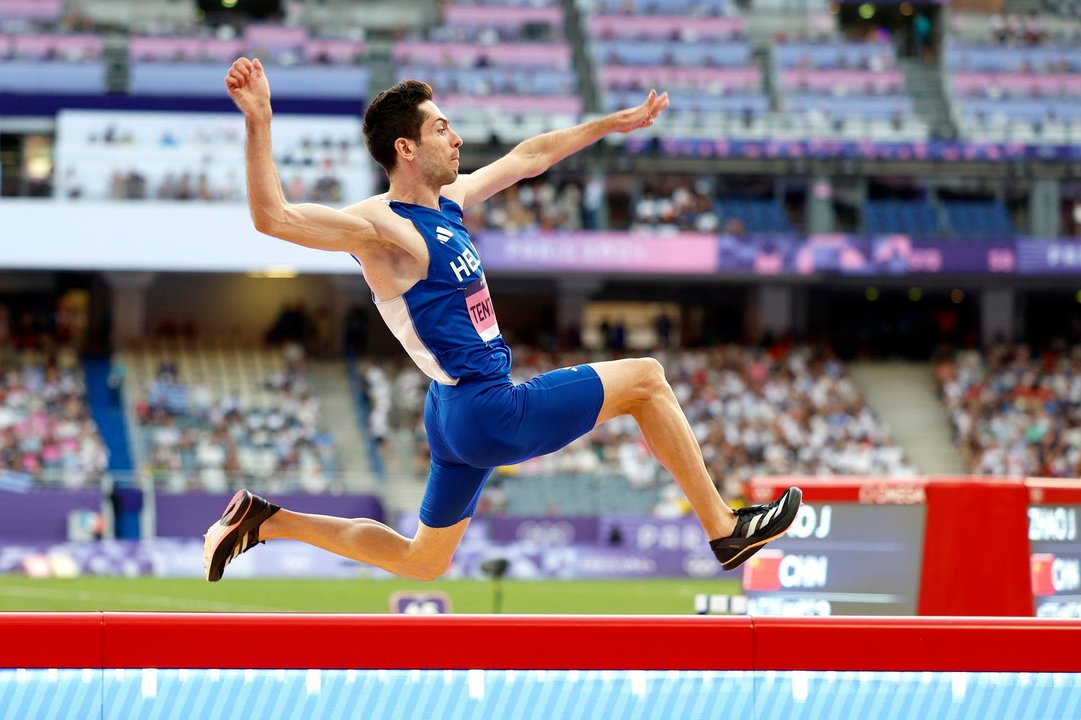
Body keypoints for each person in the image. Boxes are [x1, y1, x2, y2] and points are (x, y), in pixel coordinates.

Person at [204, 57, 802, 583]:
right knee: (646, 378)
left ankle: (267, 522)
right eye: (442, 128)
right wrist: (259, 122)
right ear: (406, 149)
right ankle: (724, 528)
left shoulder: (449, 201)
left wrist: (607, 126)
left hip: (451, 411)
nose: (457, 138)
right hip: (487, 409)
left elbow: (529, 157)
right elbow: (273, 218)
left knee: (422, 562)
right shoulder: (382, 229)